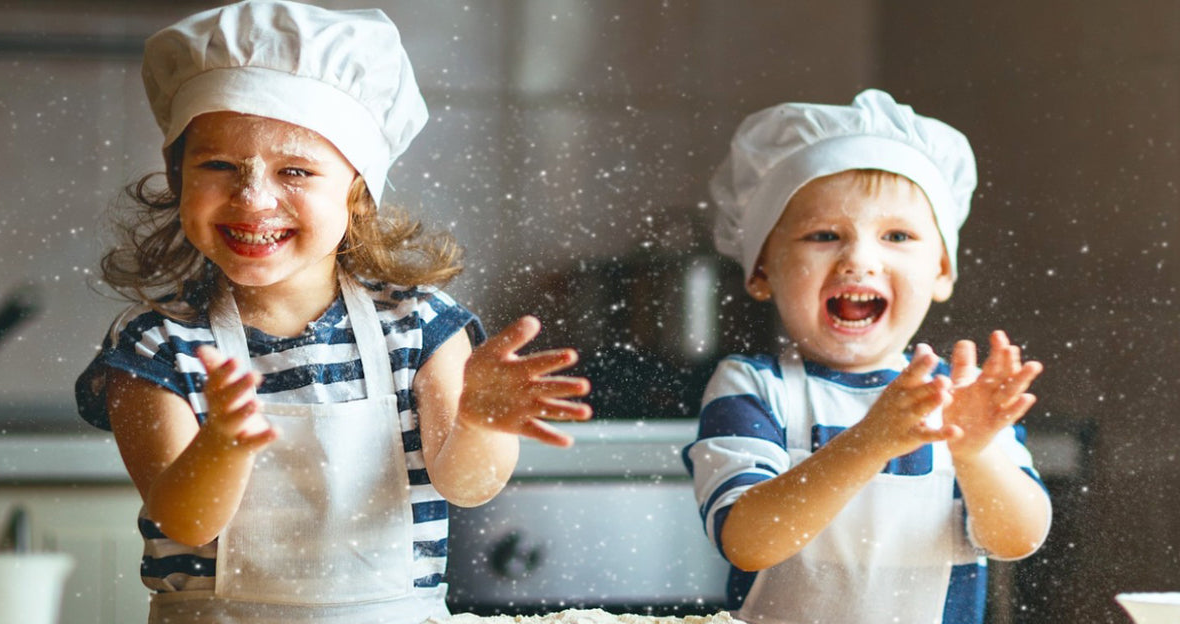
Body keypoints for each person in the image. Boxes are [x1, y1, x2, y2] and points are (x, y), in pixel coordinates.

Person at [74, 3, 591, 623]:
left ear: (358, 191)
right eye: (218, 165)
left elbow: (466, 485)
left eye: (295, 169)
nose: (253, 197)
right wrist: (223, 446)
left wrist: (479, 422)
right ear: (176, 174)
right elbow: (184, 520)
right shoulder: (158, 344)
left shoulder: (421, 325)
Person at [683, 89, 1052, 624]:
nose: (859, 259)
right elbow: (746, 539)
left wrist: (975, 455)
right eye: (824, 235)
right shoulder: (755, 387)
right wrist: (870, 442)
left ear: (942, 272)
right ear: (762, 270)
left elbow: (1017, 539)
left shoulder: (962, 399)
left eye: (897, 235)